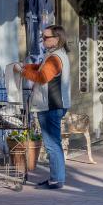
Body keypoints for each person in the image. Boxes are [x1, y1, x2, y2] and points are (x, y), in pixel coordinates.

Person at [15, 24, 70, 190]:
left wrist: (21, 71)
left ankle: (56, 180)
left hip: (50, 106)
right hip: (54, 104)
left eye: (46, 38)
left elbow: (42, 76)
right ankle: (56, 178)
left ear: (57, 39)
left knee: (52, 144)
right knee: (54, 143)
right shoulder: (56, 55)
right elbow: (40, 68)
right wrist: (26, 67)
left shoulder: (54, 57)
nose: (43, 40)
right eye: (42, 37)